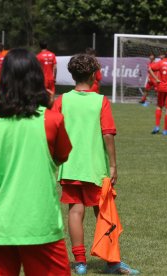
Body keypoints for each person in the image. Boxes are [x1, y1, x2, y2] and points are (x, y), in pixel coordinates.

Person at [0, 48, 72, 275]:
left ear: (4, 79)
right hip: (40, 223)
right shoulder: (53, 120)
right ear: (38, 78)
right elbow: (61, 156)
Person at [52, 53, 139, 275]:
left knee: (75, 210)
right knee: (103, 212)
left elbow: (51, 130)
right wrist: (113, 165)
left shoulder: (61, 100)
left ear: (72, 75)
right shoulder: (100, 101)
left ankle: (80, 263)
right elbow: (108, 134)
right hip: (95, 167)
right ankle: (112, 263)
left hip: (70, 166)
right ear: (93, 75)